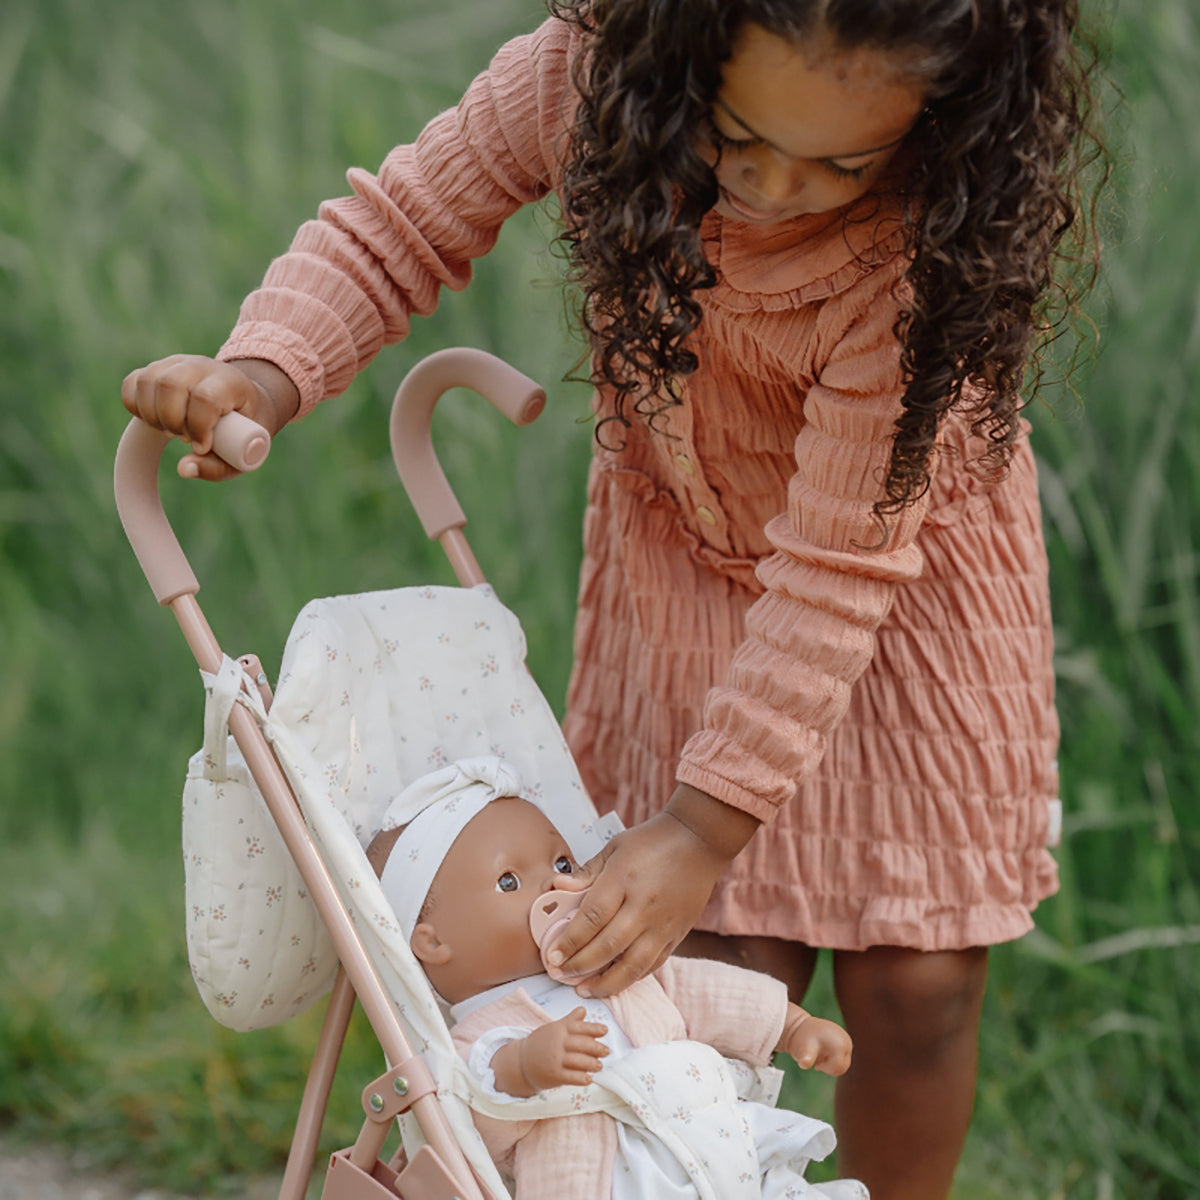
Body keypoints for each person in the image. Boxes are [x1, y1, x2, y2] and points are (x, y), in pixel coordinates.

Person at [121, 2, 1103, 1196]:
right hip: (683, 566)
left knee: (920, 982)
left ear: (950, 131)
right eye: (737, 139)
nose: (777, 190)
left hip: (905, 595)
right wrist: (266, 369)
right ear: (673, 55)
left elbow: (839, 571)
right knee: (710, 950)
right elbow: (402, 226)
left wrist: (704, 824)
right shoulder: (582, 79)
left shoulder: (918, 257)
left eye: (845, 163)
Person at [365, 755, 863, 1200]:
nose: (554, 883)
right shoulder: (473, 1040)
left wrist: (792, 1025)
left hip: (712, 1152)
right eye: (509, 882)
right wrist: (523, 1067)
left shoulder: (609, 967)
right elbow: (468, 1128)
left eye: (562, 862)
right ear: (432, 943)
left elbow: (702, 990)